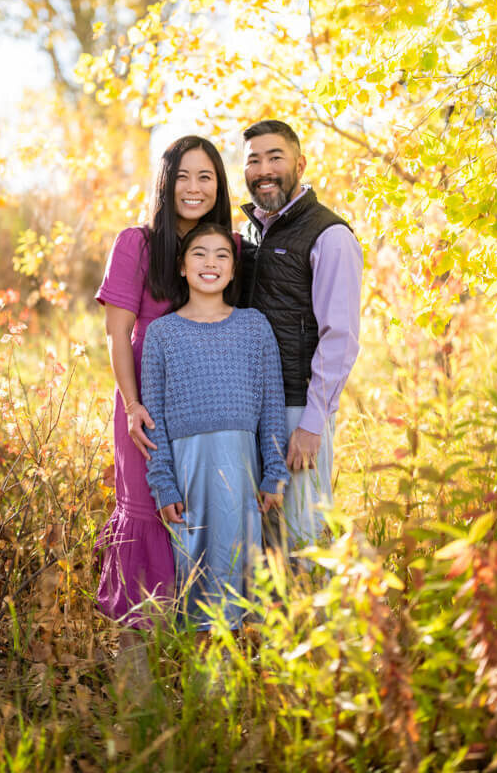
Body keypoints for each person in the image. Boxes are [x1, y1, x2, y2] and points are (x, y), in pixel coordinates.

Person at [94, 137, 233, 668]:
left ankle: (202, 693)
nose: (194, 189)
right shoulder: (137, 244)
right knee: (148, 520)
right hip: (146, 413)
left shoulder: (229, 249)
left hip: (207, 412)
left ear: (219, 187)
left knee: (203, 522)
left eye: (206, 178)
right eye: (184, 176)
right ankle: (138, 689)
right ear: (166, 182)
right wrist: (131, 406)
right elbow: (117, 334)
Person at [142, 223, 289, 631]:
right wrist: (163, 484)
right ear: (182, 267)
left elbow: (273, 407)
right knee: (196, 579)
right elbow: (153, 417)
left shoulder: (254, 326)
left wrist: (275, 472)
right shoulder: (162, 334)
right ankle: (200, 682)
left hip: (241, 473)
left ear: (233, 269)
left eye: (222, 255)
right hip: (189, 475)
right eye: (200, 254)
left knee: (242, 576)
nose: (211, 262)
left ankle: (242, 679)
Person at [240, 120, 362, 553]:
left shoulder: (329, 235)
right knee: (260, 545)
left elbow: (340, 337)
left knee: (302, 539)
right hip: (249, 410)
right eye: (254, 160)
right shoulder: (248, 234)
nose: (264, 169)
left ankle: (314, 622)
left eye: (276, 157)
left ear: (300, 164)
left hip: (297, 409)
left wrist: (312, 424)